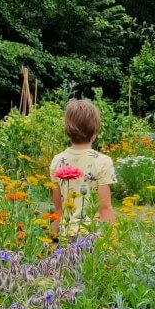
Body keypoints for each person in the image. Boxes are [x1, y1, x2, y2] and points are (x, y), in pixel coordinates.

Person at [49, 99, 116, 235]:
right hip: (92, 238)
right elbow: (105, 208)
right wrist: (111, 245)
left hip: (65, 237)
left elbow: (58, 209)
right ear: (95, 129)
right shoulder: (103, 162)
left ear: (67, 129)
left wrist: (54, 242)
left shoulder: (57, 160)